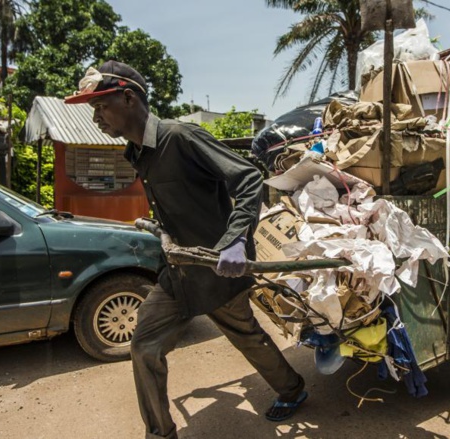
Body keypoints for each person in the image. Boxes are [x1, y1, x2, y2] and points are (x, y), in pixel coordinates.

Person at [66, 61, 307, 439]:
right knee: (144, 347)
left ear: (128, 97)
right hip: (178, 271)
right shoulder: (136, 153)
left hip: (219, 268)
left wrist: (234, 241)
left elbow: (247, 178)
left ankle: (293, 389)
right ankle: (160, 433)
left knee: (246, 335)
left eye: (100, 106)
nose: (97, 117)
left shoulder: (180, 137)